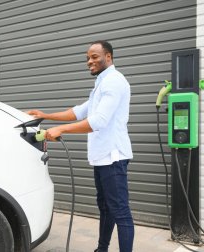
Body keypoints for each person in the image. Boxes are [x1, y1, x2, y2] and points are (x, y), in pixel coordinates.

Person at [27, 40, 134, 252]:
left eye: (94, 56)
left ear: (109, 57)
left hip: (113, 157)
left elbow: (99, 121)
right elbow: (79, 111)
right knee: (106, 208)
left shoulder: (114, 81)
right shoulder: (102, 84)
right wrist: (45, 115)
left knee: (120, 212)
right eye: (87, 58)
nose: (89, 61)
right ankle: (101, 249)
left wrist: (62, 130)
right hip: (103, 157)